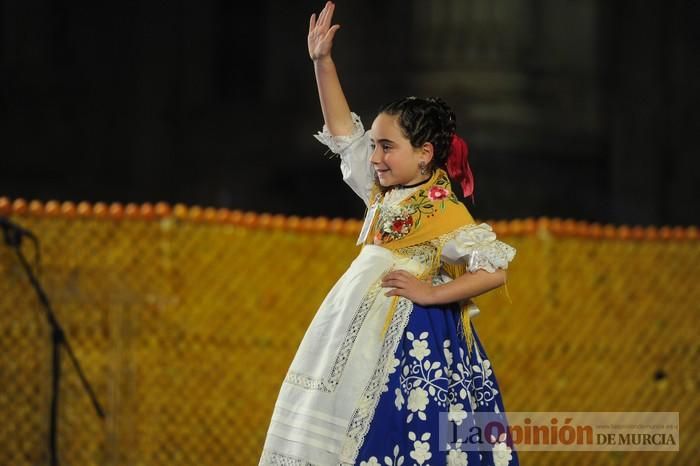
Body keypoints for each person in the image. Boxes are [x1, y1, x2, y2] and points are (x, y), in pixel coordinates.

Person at [259, 2, 519, 465]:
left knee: (400, 433)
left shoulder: (444, 210)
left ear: (424, 154)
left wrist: (431, 293)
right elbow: (343, 133)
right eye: (375, 145)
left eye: (386, 146)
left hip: (409, 341)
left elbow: (494, 269)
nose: (375, 156)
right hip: (350, 328)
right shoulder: (381, 191)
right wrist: (323, 63)